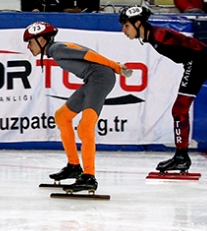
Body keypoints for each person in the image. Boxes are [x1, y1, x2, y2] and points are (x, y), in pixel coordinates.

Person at [23, 21, 133, 193]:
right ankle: (74, 166)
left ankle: (89, 176)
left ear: (41, 40)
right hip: (93, 79)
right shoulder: (55, 49)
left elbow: (89, 55)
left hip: (100, 78)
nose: (28, 46)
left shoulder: (56, 49)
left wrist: (115, 65)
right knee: (62, 116)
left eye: (30, 41)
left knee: (85, 126)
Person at [119, 5, 207, 172]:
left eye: (126, 26)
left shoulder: (159, 36)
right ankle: (181, 156)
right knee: (179, 110)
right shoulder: (152, 37)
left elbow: (187, 41)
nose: (124, 30)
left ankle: (181, 157)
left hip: (198, 63)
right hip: (194, 63)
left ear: (138, 23)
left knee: (179, 110)